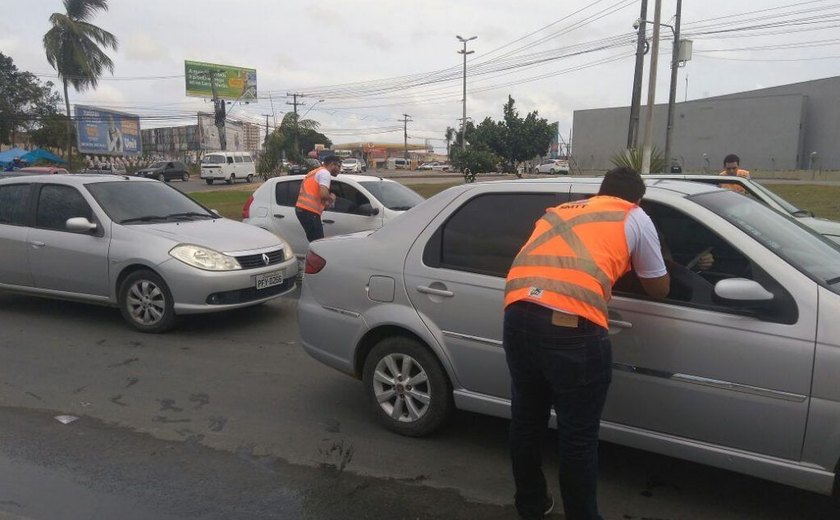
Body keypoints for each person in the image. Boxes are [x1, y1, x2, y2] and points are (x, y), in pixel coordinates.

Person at [503, 167, 670, 520]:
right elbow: (658, 286)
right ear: (637, 199)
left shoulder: (561, 211)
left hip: (517, 315)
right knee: (577, 439)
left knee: (526, 422)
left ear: (600, 192)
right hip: (571, 330)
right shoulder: (634, 215)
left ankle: (530, 506)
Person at [295, 155, 341, 242]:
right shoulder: (325, 173)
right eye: (338, 166)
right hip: (309, 211)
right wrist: (331, 198)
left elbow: (317, 195)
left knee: (315, 241)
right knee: (318, 243)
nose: (340, 170)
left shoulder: (315, 172)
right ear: (332, 164)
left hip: (303, 210)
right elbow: (323, 194)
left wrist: (325, 204)